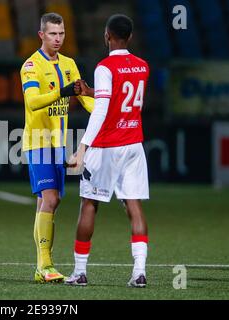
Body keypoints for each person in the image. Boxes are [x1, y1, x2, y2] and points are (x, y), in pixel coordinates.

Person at [65, 14, 150, 287]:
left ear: (107, 36)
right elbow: (122, 100)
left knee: (89, 204)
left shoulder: (105, 67)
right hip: (134, 145)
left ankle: (79, 272)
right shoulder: (142, 66)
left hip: (107, 146)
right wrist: (90, 92)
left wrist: (81, 148)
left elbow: (102, 111)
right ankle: (139, 272)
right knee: (133, 205)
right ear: (130, 37)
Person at [20, 12, 94, 283]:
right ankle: (45, 264)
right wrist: (63, 92)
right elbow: (33, 102)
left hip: (58, 144)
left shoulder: (70, 64)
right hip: (38, 141)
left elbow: (86, 100)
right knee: (50, 199)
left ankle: (42, 268)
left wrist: (109, 113)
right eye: (52, 33)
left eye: (61, 33)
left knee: (49, 201)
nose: (58, 38)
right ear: (42, 35)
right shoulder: (30, 66)